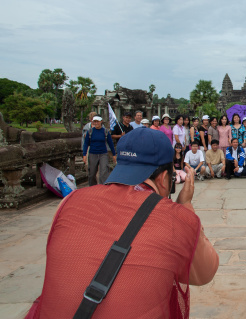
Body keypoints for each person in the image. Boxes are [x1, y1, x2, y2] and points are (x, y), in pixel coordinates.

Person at [29, 128, 219, 318]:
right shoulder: (174, 218)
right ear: (164, 179)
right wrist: (185, 205)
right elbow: (204, 272)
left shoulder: (69, 202)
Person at [83, 116, 116, 186]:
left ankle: (103, 187)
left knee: (103, 172)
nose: (96, 123)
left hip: (103, 153)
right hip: (93, 153)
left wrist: (114, 154)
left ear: (101, 122)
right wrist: (84, 154)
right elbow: (86, 143)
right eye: (94, 121)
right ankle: (92, 187)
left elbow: (110, 143)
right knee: (92, 173)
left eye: (97, 121)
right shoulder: (90, 132)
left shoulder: (105, 132)